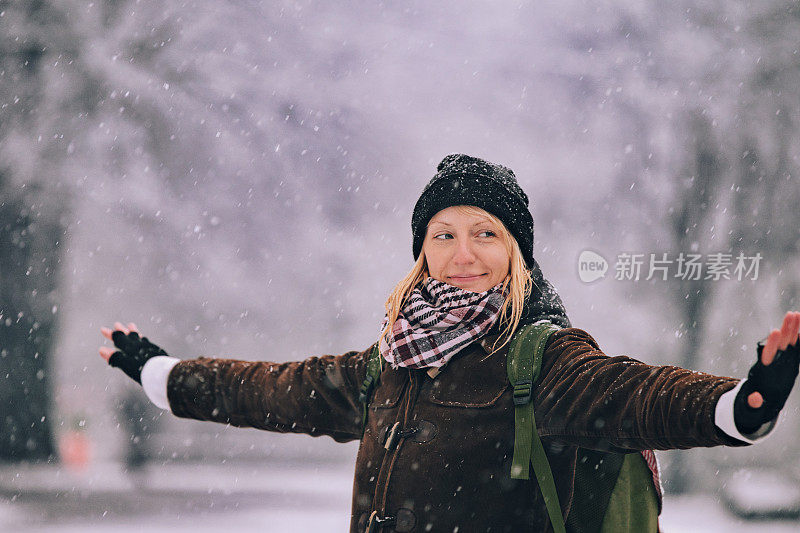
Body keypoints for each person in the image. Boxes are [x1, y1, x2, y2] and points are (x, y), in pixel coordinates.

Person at [99, 154, 800, 533]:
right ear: (422, 251)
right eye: (444, 233)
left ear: (517, 253)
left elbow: (633, 392)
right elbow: (280, 388)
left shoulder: (542, 356)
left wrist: (741, 403)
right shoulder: (393, 360)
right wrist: (165, 372)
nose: (463, 252)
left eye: (486, 232)